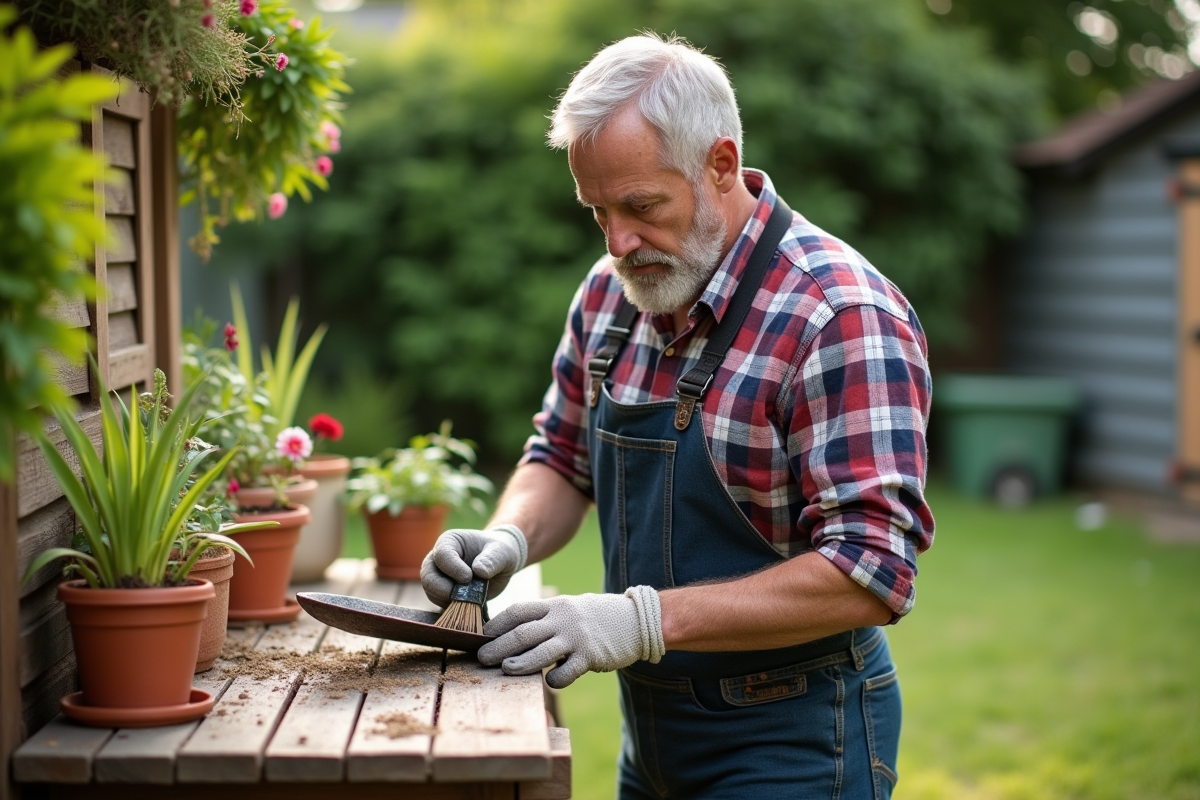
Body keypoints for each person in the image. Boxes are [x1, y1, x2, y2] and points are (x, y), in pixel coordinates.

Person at [421, 32, 935, 799]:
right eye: (597, 212)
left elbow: (871, 573)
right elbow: (562, 457)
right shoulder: (611, 294)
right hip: (654, 740)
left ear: (720, 164)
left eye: (641, 206)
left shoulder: (838, 316)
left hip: (796, 745)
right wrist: (509, 537)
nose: (619, 242)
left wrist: (641, 622)